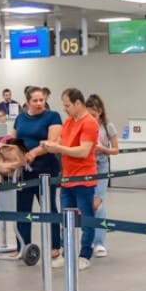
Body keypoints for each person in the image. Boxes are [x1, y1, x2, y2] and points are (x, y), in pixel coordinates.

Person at [44, 88, 100, 271]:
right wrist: (50, 145)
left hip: (84, 179)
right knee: (65, 219)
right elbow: (60, 141)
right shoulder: (68, 121)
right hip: (67, 178)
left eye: (67, 105)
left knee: (86, 218)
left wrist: (59, 149)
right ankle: (67, 254)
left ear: (78, 103)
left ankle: (84, 255)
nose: (65, 109)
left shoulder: (90, 123)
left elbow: (84, 151)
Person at [10, 86, 63, 259]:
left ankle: (56, 245)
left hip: (46, 170)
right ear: (27, 102)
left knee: (49, 208)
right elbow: (13, 139)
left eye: (42, 100)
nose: (40, 103)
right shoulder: (20, 118)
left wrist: (34, 153)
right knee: (22, 209)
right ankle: (23, 246)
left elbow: (53, 141)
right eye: (35, 100)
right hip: (24, 171)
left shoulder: (53, 116)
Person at [88, 94, 118, 257]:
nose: (91, 117)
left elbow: (115, 149)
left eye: (94, 114)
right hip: (85, 167)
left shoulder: (108, 126)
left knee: (97, 203)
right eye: (88, 113)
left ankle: (99, 242)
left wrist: (102, 148)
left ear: (100, 112)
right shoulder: (83, 124)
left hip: (101, 165)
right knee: (87, 204)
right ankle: (89, 239)